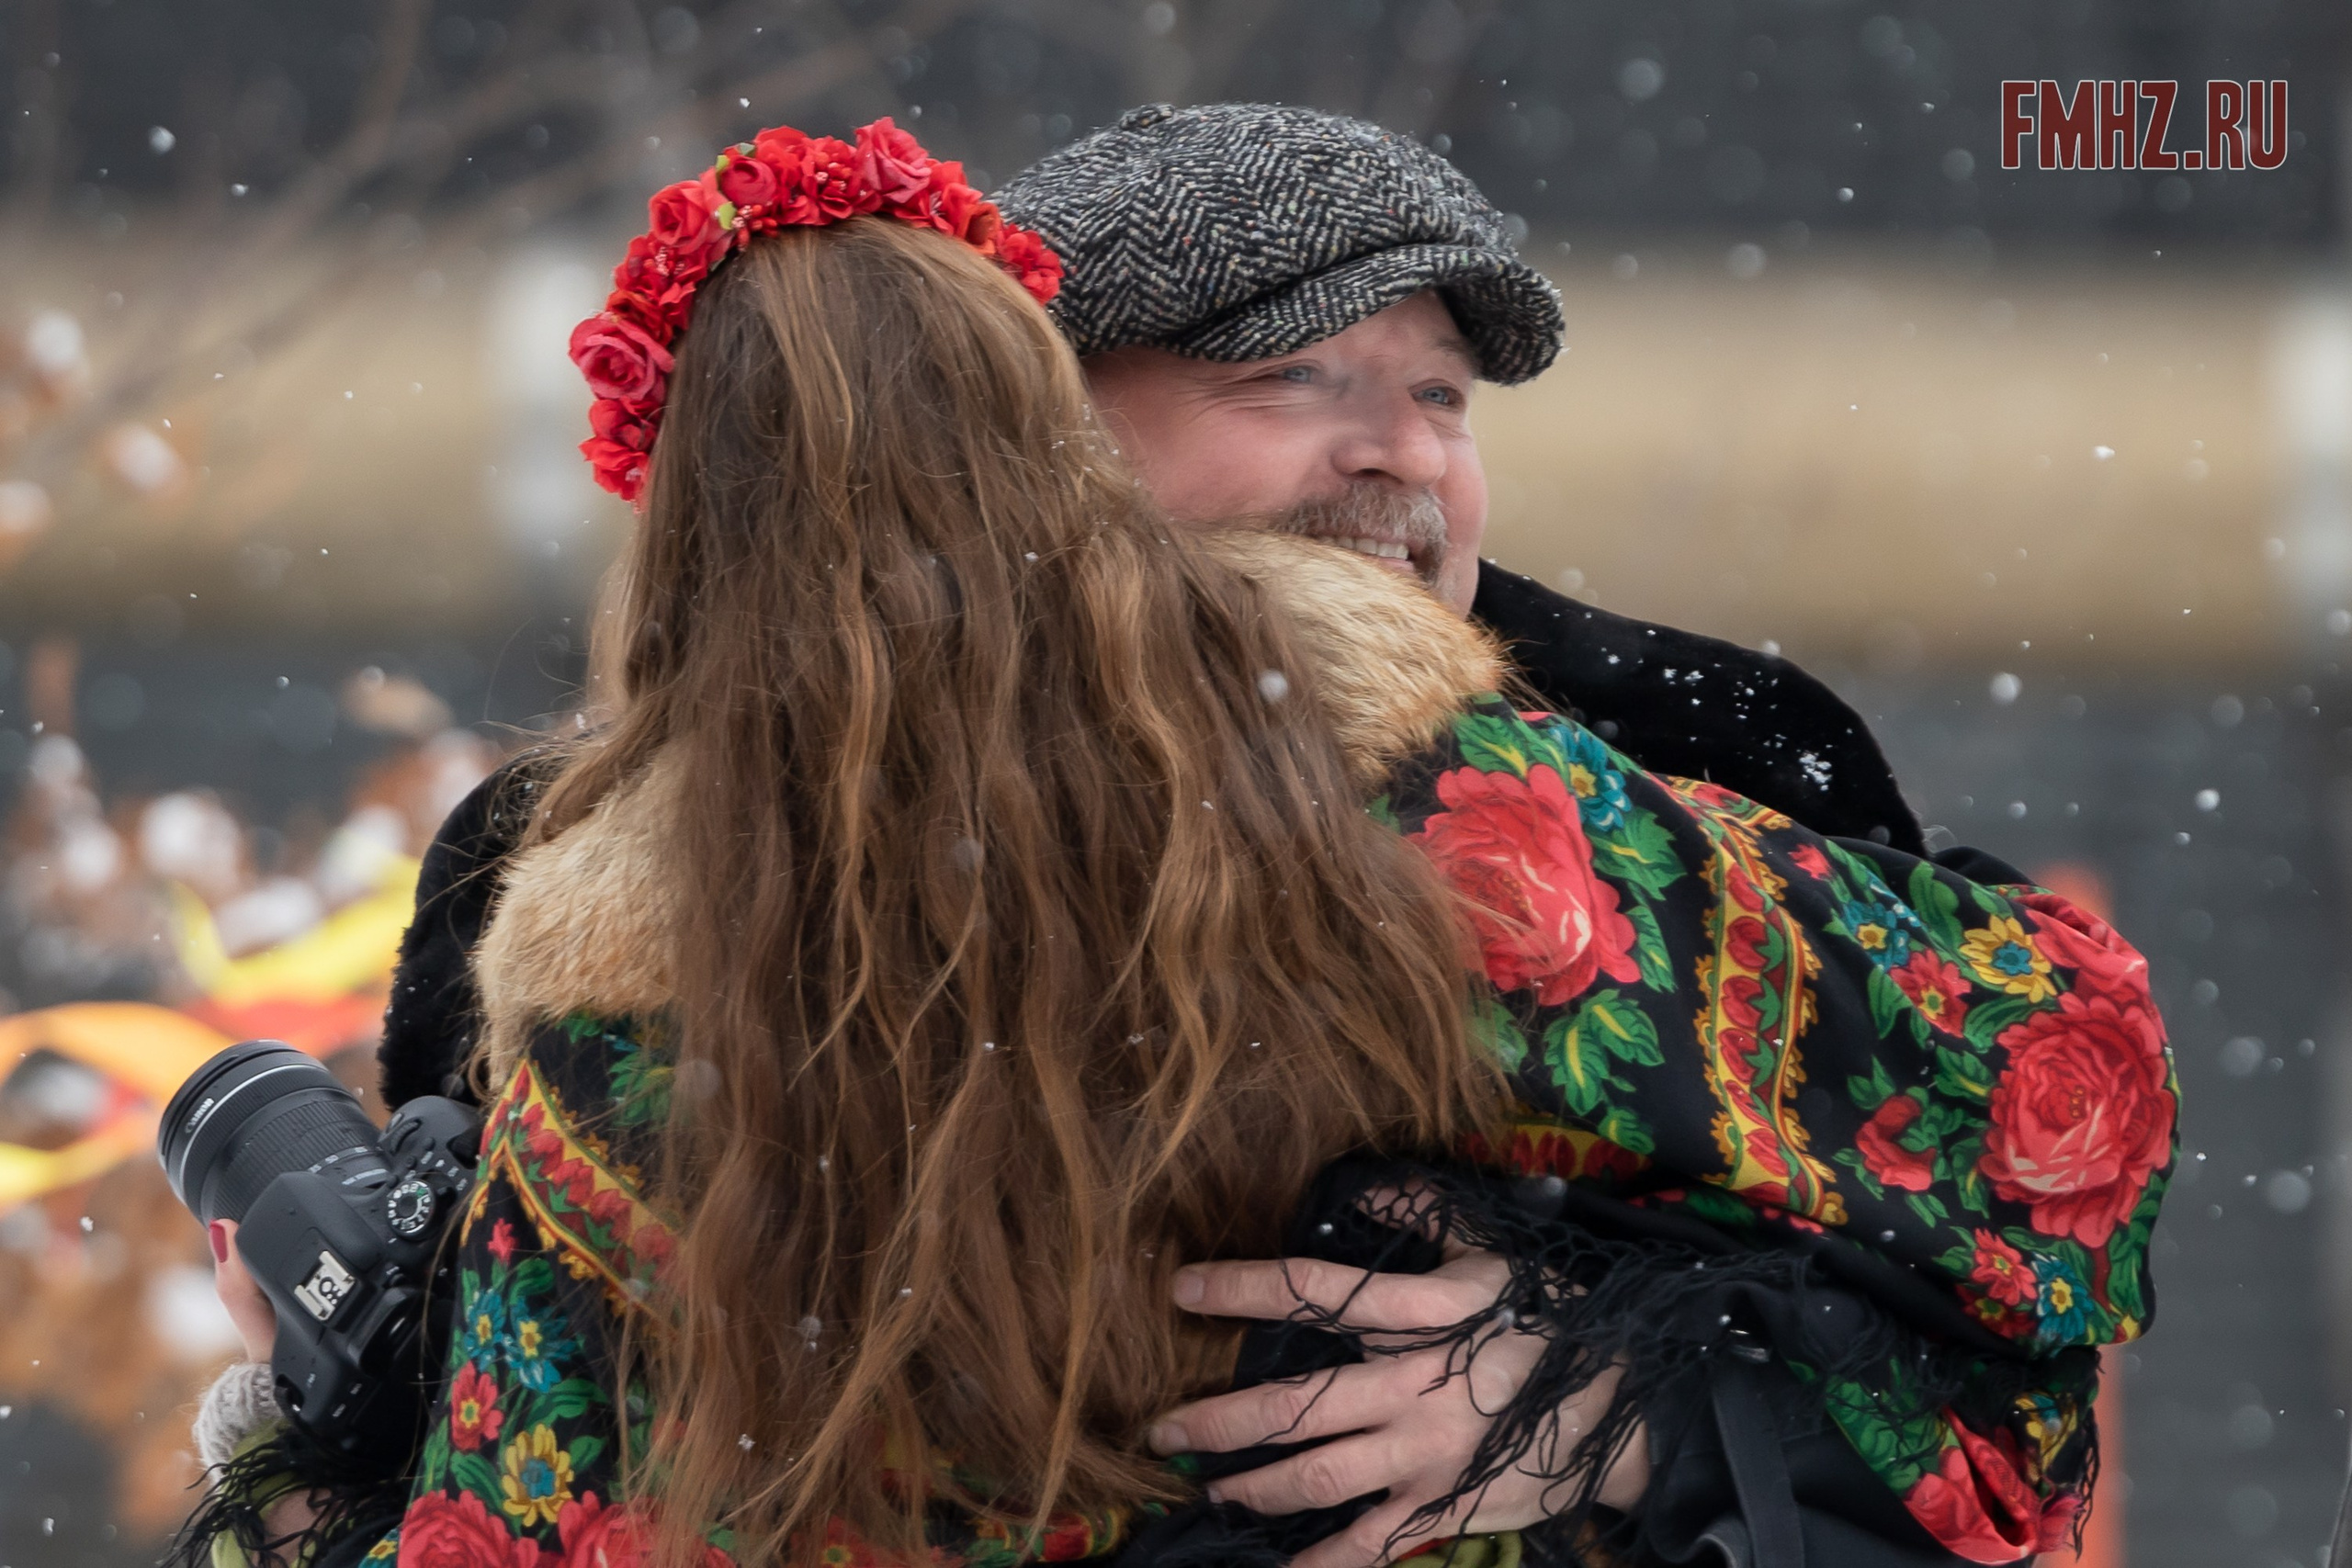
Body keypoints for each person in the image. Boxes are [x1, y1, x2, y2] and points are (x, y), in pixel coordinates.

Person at [194, 111, 2174, 1568]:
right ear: (1029, 431)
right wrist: (341, 1408)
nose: (1399, 451)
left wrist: (1641, 1376)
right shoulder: (575, 872)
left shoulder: (1687, 752)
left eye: (1436, 393)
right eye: (1291, 379)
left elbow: (2009, 1291)